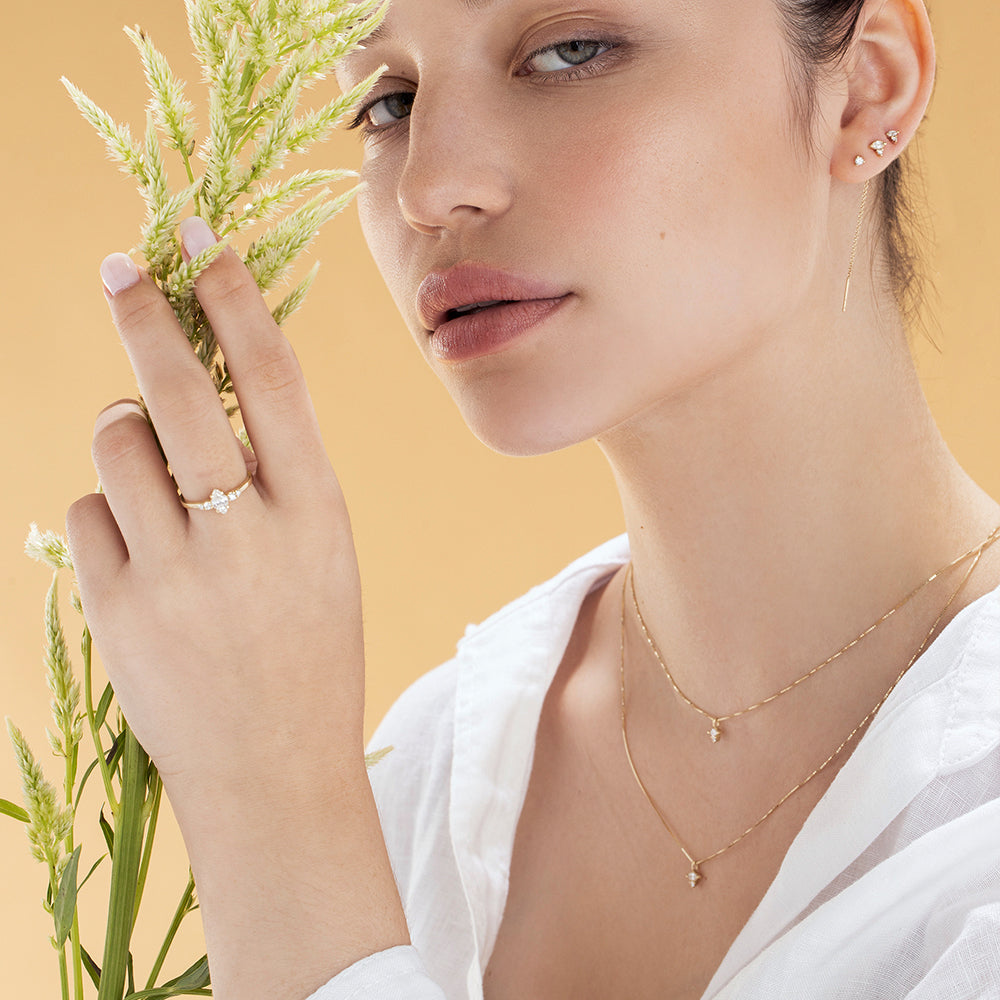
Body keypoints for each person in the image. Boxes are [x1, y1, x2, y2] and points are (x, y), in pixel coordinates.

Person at [68, 0, 1000, 997]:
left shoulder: (308, 808)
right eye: (390, 102)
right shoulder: (425, 770)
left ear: (865, 88)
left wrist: (276, 821)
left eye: (568, 51)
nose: (429, 187)